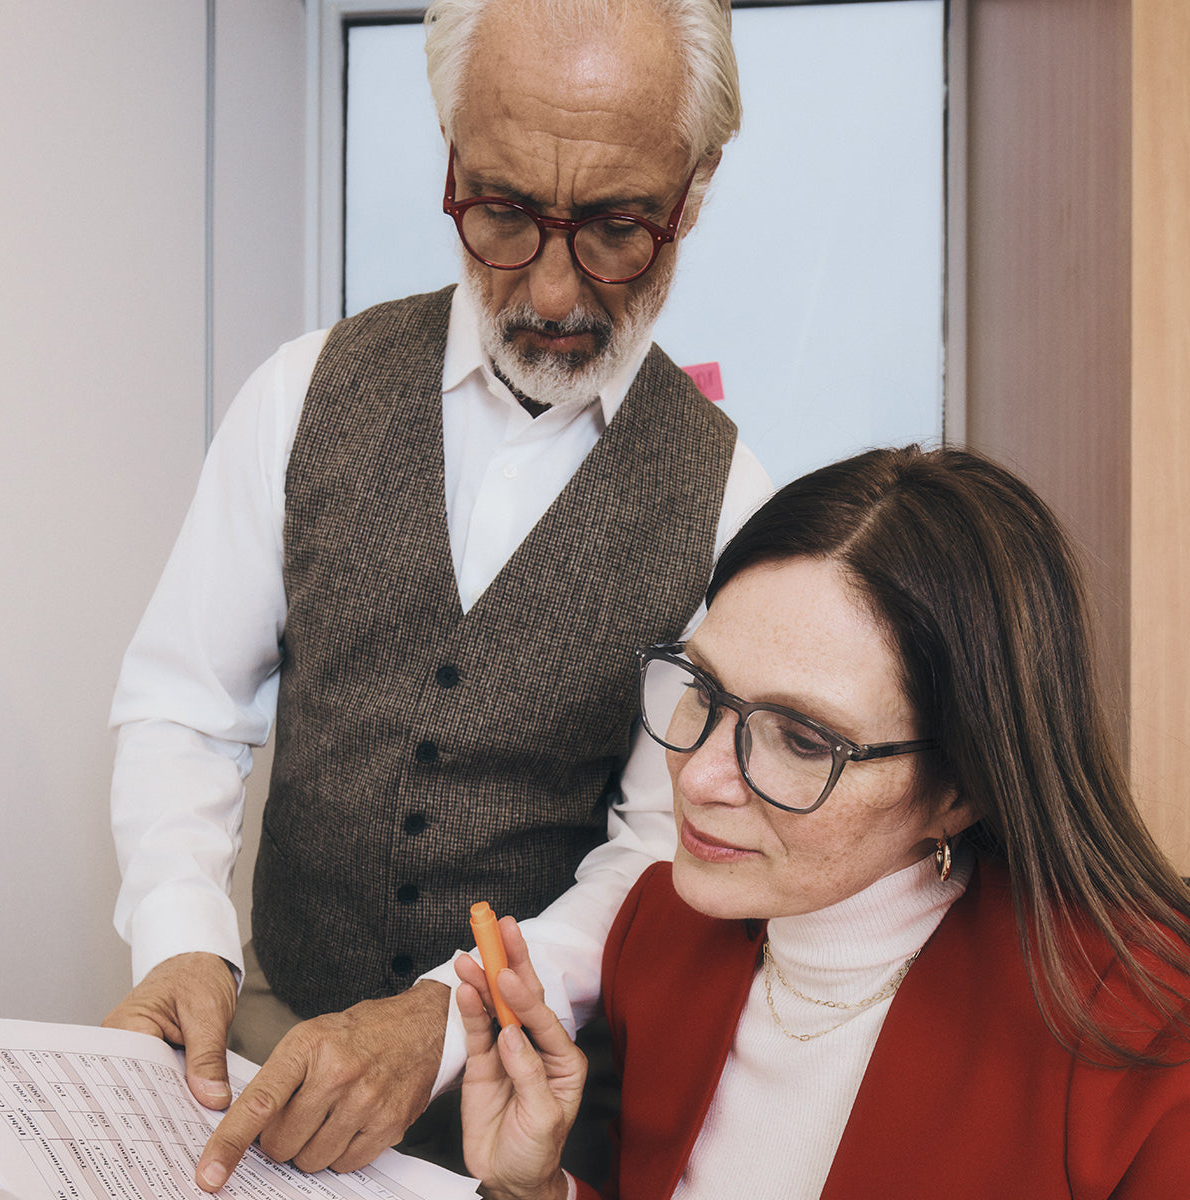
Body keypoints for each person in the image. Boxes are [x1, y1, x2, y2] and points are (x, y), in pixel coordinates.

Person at [102, 0, 769, 1189]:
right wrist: (182, 938)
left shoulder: (733, 507)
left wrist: (447, 1013)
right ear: (453, 156)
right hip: (271, 1043)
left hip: (535, 1118)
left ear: (698, 190)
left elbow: (658, 854)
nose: (558, 291)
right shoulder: (302, 393)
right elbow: (184, 703)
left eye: (619, 230)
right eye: (506, 212)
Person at [456, 444, 1190, 1199]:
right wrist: (534, 1192)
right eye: (703, 689)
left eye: (804, 741)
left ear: (960, 790)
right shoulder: (661, 932)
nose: (700, 778)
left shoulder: (1147, 1037)